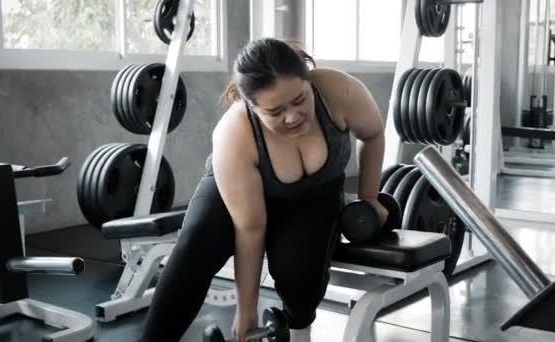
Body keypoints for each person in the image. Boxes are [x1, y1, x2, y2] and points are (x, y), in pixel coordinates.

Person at [140, 38, 387, 342]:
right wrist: (247, 312)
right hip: (236, 189)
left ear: (308, 79)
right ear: (251, 107)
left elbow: (373, 133)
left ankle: (296, 330)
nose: (293, 116)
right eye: (276, 111)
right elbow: (250, 228)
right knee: (195, 246)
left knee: (298, 278)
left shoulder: (340, 91)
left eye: (299, 99)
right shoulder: (235, 134)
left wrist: (369, 199)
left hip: (314, 193)